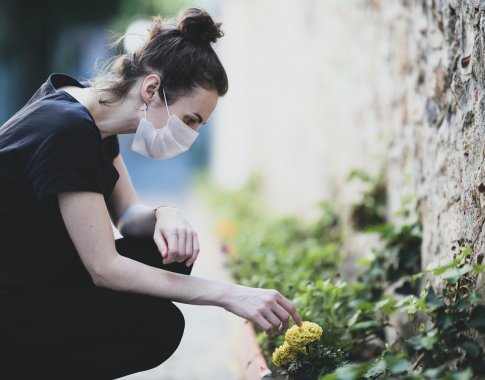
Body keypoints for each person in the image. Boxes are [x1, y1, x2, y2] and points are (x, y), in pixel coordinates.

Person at [0, 7, 301, 380]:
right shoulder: (67, 129)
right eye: (190, 120)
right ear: (152, 88)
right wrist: (230, 295)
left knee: (169, 254)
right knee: (158, 326)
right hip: (11, 306)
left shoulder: (90, 117)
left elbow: (126, 216)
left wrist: (164, 213)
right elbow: (104, 268)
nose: (189, 137)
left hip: (35, 278)